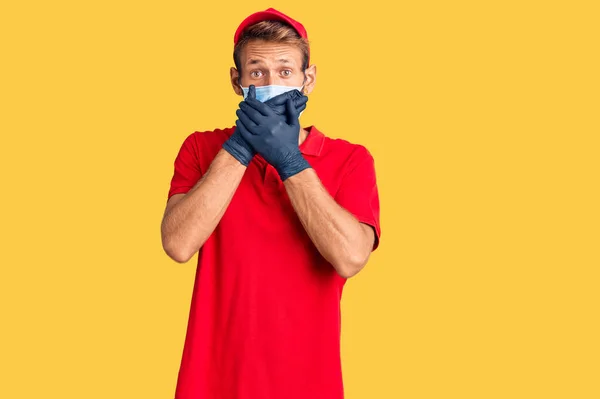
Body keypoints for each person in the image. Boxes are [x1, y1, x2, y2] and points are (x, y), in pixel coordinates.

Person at [161, 7, 381, 399]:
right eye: (257, 71)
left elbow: (350, 257)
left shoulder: (351, 160)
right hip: (211, 384)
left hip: (308, 384)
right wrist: (241, 147)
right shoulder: (200, 148)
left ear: (307, 79)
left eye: (284, 71)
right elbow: (177, 244)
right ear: (237, 81)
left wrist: (290, 161)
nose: (271, 82)